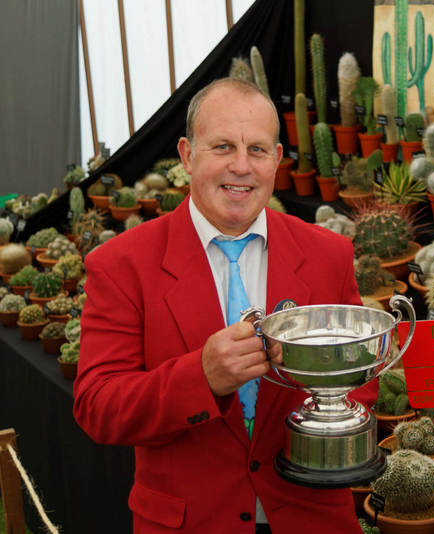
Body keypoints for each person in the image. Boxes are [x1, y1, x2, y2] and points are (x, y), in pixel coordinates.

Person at [73, 77, 375, 533]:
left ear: (276, 159)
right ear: (187, 155)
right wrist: (202, 378)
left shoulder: (327, 254)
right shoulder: (121, 265)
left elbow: (360, 377)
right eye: (222, 147)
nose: (240, 166)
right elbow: (98, 407)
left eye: (256, 149)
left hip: (311, 516)